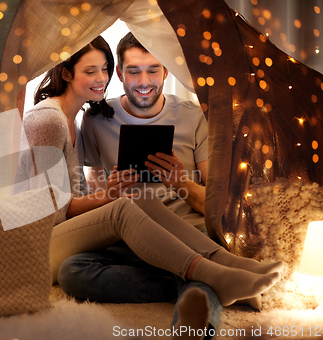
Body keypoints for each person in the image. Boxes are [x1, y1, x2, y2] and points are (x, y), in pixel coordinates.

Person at [19, 35, 282, 340]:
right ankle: (212, 275)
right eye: (91, 71)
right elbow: (51, 206)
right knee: (73, 270)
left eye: (103, 69)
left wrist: (180, 182)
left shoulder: (189, 115)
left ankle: (207, 287)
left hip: (182, 228)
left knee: (135, 207)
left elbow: (218, 201)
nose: (101, 78)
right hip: (80, 234)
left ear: (166, 71)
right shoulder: (76, 119)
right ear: (122, 73)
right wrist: (108, 194)